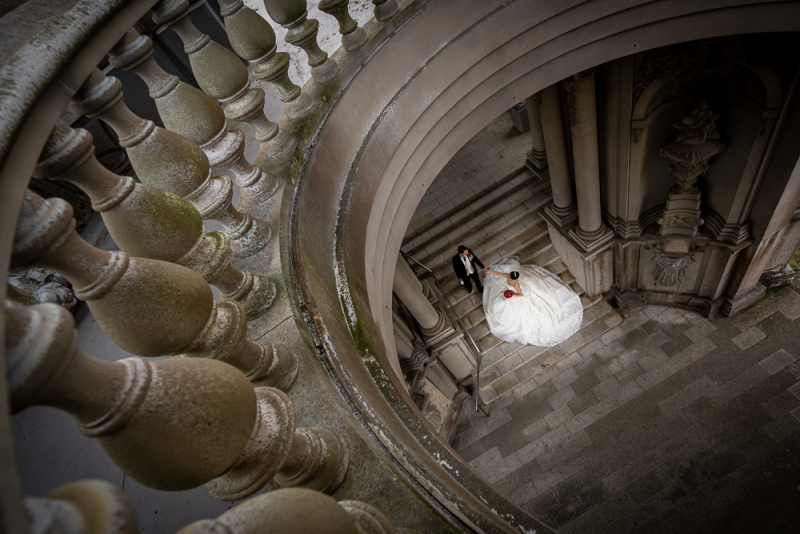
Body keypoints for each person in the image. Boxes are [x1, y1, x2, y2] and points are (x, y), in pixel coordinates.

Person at [482, 256, 583, 346]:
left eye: (509, 275)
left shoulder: (516, 284)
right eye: (508, 275)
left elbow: (520, 294)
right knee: (498, 305)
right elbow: (499, 273)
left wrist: (511, 294)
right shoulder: (507, 276)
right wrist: (489, 272)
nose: (507, 275)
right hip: (509, 291)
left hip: (517, 295)